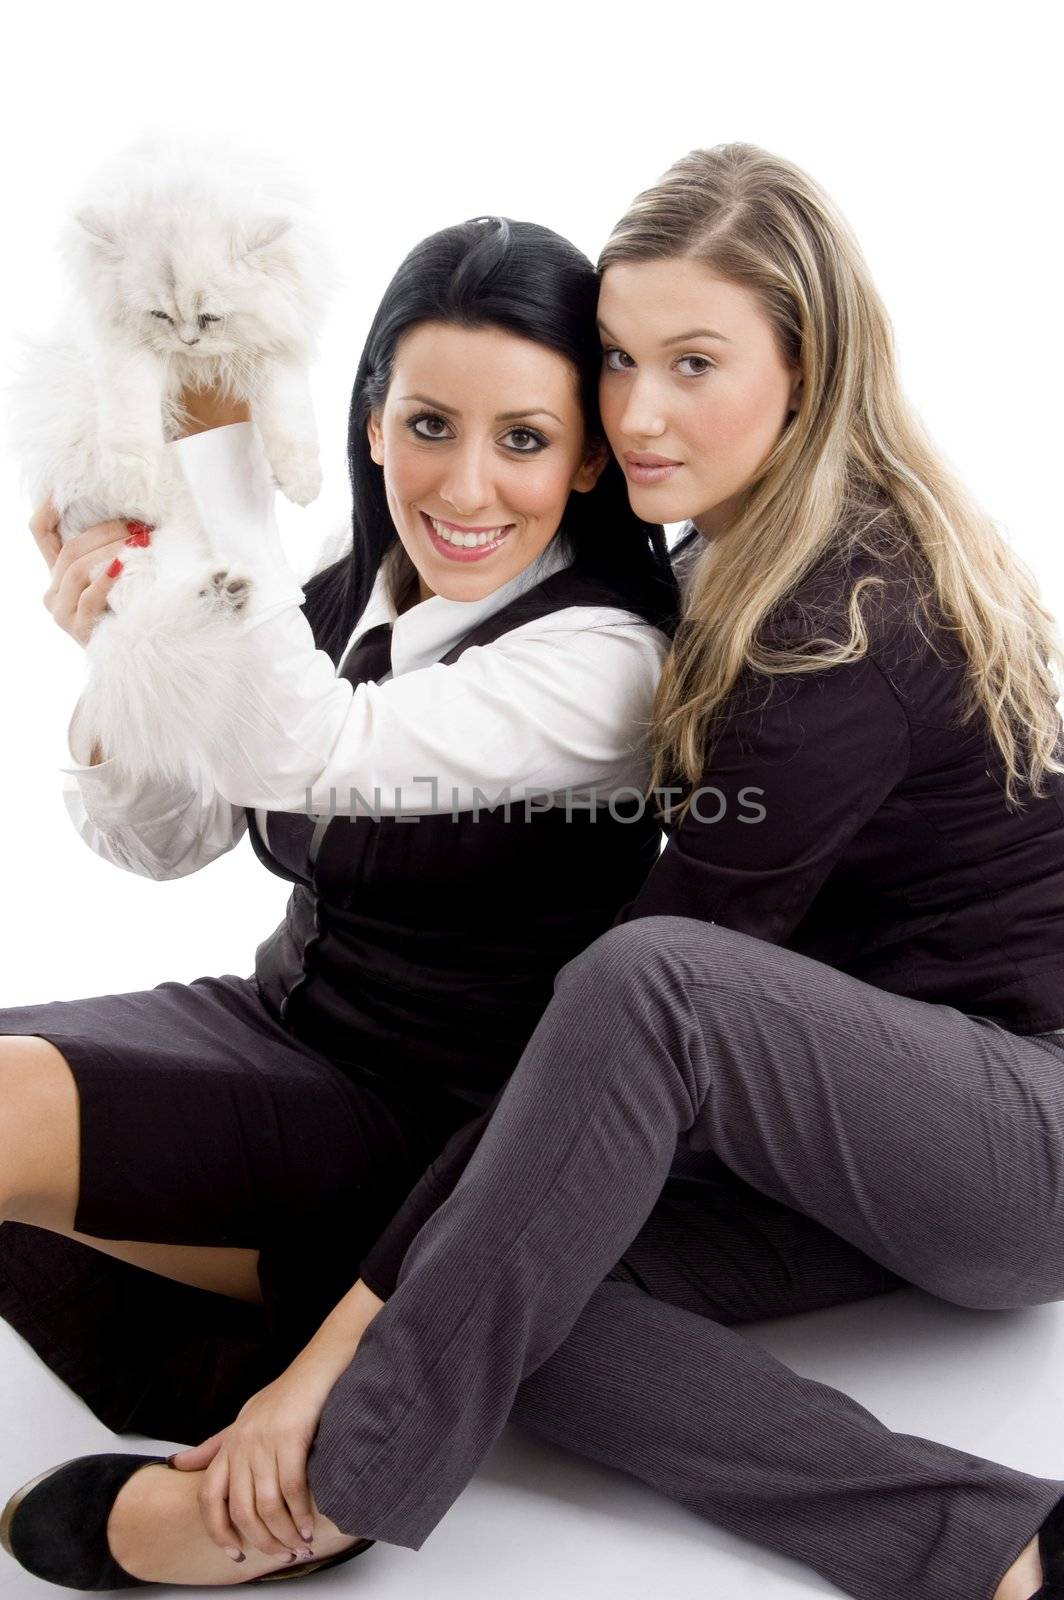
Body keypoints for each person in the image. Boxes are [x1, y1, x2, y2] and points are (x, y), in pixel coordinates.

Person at [33, 142, 1064, 1600]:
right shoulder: (717, 565)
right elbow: (193, 810)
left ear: (808, 365)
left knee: (640, 990)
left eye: (695, 362)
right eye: (625, 362)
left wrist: (326, 1372)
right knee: (511, 1283)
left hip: (1018, 1134)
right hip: (816, 1126)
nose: (642, 413)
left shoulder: (837, 620)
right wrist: (132, 650)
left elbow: (661, 995)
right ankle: (1002, 1544)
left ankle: (330, 1485)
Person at [0, 216, 679, 1587]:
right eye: (430, 422)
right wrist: (123, 659)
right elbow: (166, 839)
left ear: (592, 456)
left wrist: (217, 485)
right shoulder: (331, 594)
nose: (469, 483)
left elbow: (321, 756)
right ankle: (324, 1411)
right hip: (274, 1027)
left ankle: (360, 1387)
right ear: (370, 422)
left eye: (526, 439)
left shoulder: (606, 659)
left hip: (432, 1131)